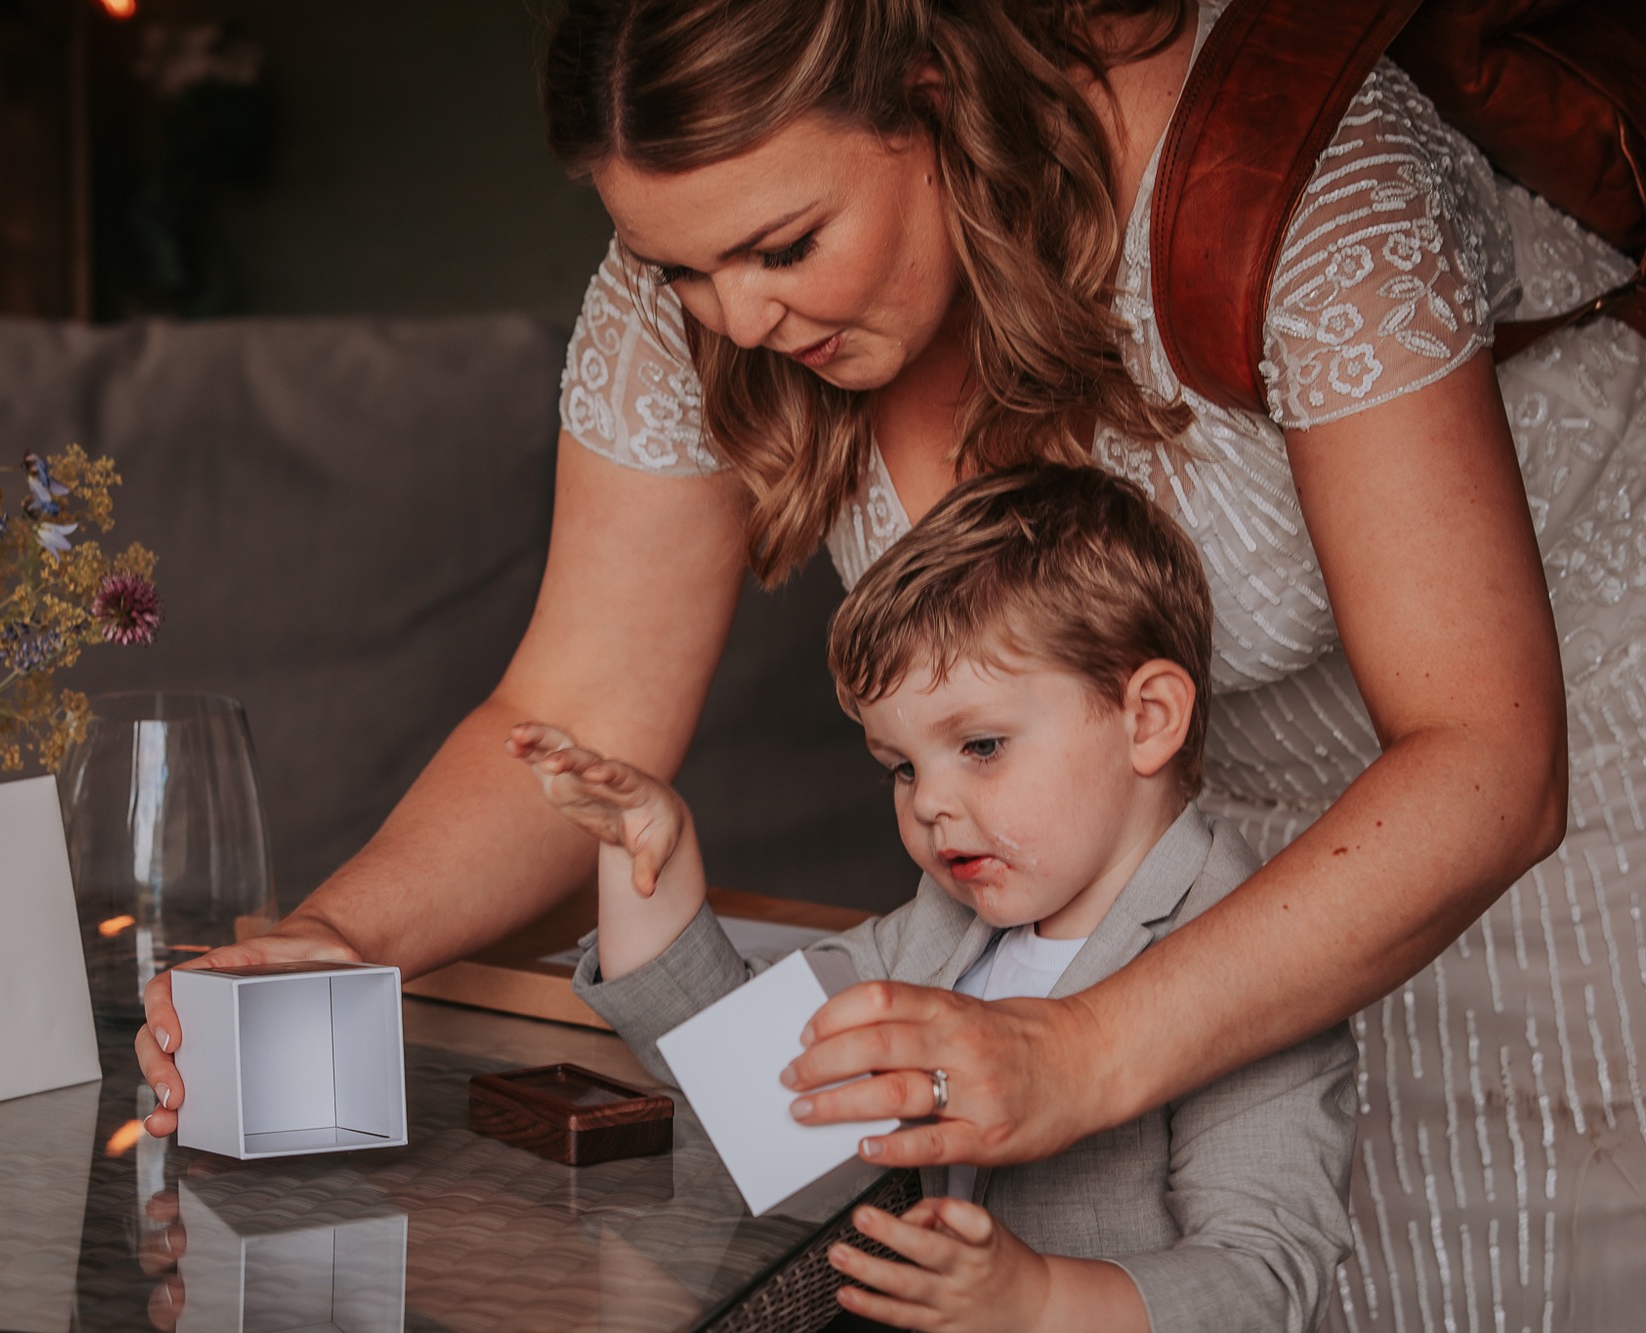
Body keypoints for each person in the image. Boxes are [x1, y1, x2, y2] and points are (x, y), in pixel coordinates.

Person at [139, 3, 1646, 1325]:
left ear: (933, 92)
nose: (736, 318)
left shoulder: (1300, 180)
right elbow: (573, 718)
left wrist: (1083, 1048)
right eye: (680, 271)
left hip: (1519, 895)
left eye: (783, 247)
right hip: (1096, 901)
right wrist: (340, 937)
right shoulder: (718, 280)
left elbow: (1488, 760)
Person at [511, 463, 1357, 1333]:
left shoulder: (1257, 960)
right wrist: (644, 860)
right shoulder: (944, 923)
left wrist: (1038, 1302)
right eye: (903, 767)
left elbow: (1262, 1280)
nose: (928, 803)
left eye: (982, 745)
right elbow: (754, 1071)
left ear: (1146, 719)